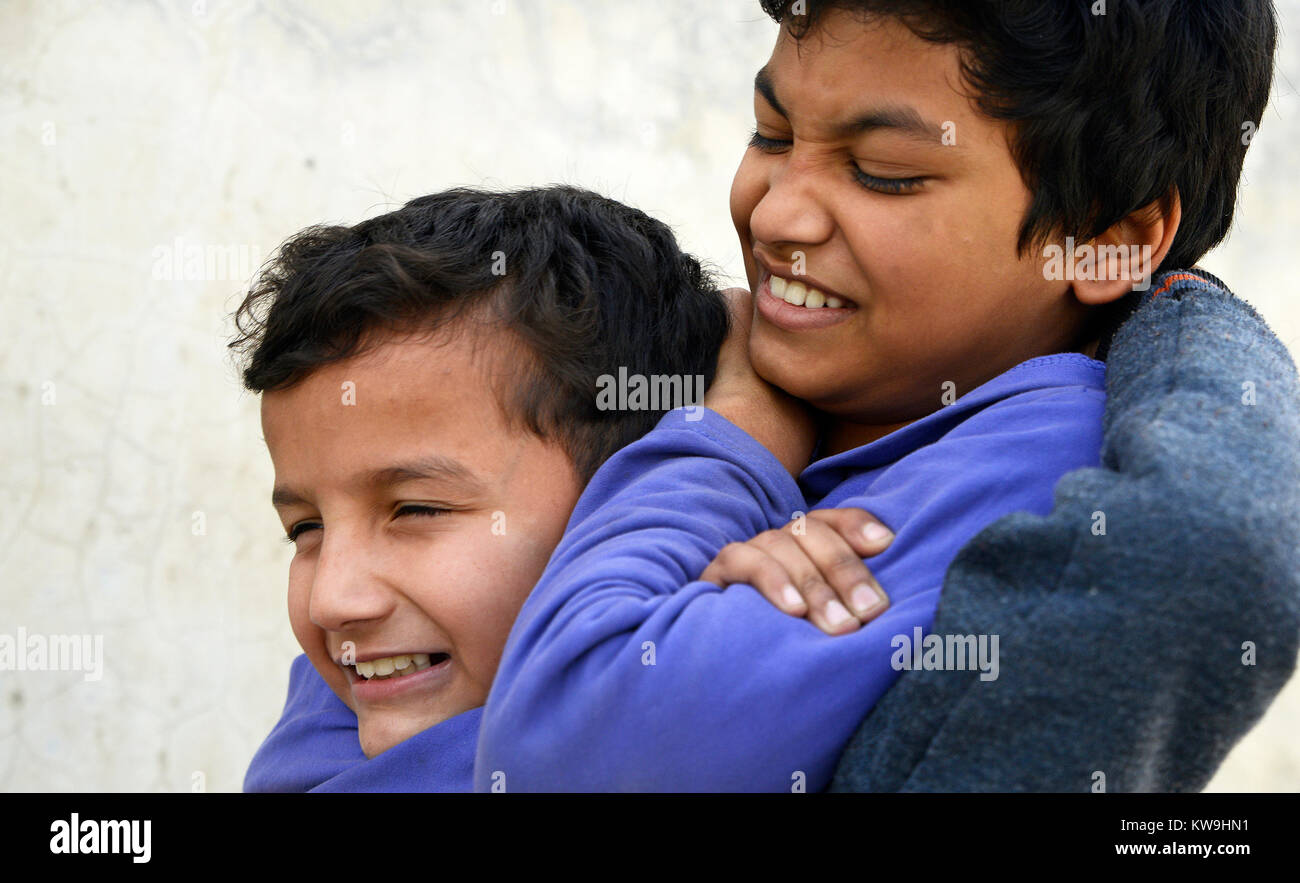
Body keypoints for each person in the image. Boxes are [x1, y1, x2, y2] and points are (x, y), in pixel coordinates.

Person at [473, 0, 1297, 791]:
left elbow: (568, 756)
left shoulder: (1030, 476)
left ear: (1107, 241)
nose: (777, 215)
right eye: (772, 134)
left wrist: (736, 432)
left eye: (882, 174)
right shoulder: (846, 400)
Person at [234, 185, 743, 790]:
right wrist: (751, 423)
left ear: (632, 497)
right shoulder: (320, 733)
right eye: (306, 529)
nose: (332, 601)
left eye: (416, 508)